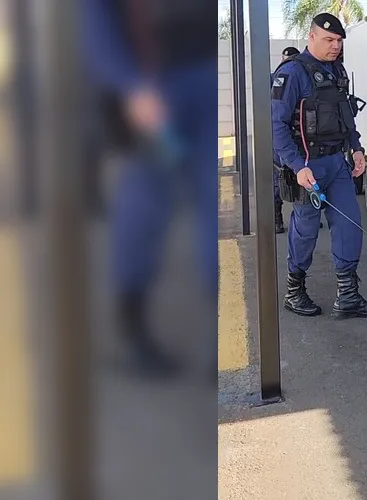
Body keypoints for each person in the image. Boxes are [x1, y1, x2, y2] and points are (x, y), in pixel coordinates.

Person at [83, 0, 217, 377]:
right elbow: (94, 16)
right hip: (154, 77)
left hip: (205, 73)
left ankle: (214, 338)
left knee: (210, 207)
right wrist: (128, 83)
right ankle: (132, 330)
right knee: (144, 204)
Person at [272, 13, 367, 319]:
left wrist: (357, 148)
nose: (336, 46)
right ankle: (295, 291)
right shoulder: (292, 73)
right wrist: (295, 165)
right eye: (329, 40)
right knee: (305, 230)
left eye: (339, 41)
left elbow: (345, 114)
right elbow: (276, 125)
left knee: (349, 227)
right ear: (312, 37)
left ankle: (348, 295)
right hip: (307, 167)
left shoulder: (336, 70)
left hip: (337, 163)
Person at [271, 47, 302, 234]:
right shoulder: (274, 79)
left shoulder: (302, 77)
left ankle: (305, 215)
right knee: (280, 178)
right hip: (281, 136)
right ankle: (276, 217)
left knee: (304, 177)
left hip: (299, 137)